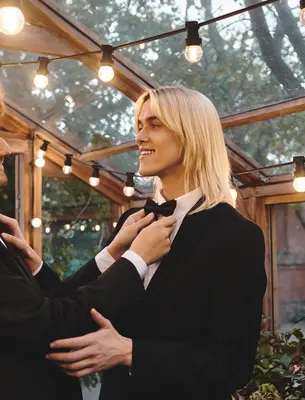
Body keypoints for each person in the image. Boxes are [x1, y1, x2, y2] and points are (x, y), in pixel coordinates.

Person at [0, 80, 176, 400]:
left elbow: (46, 307)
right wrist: (136, 259)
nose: (5, 148)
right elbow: (52, 327)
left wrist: (112, 253)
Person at [45, 86, 268, 400]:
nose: (139, 137)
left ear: (191, 134)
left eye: (154, 125)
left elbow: (232, 365)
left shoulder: (236, 235)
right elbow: (71, 311)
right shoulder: (130, 223)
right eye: (138, 126)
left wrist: (130, 353)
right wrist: (110, 254)